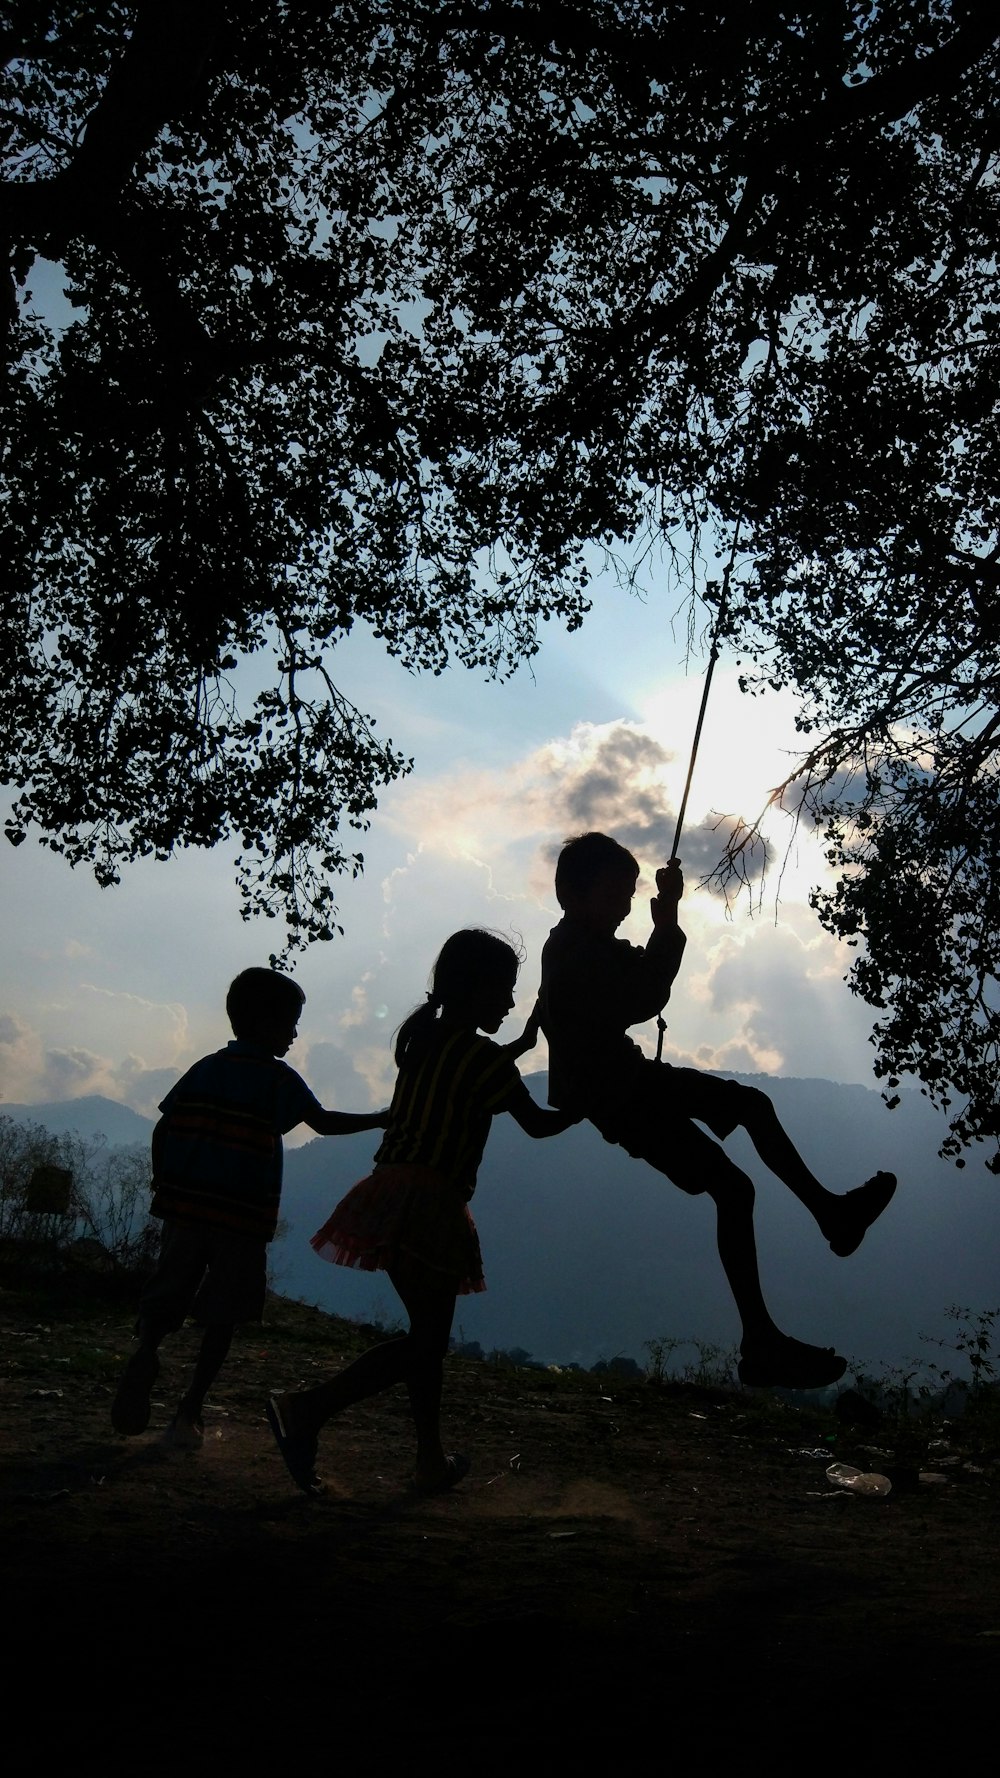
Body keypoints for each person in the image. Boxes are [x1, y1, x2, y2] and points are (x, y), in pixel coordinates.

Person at [538, 832, 897, 1390]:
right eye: (617, 892)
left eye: (630, 893)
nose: (626, 903)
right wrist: (668, 921)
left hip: (629, 1087)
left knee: (744, 1143)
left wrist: (666, 923)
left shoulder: (581, 946)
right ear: (572, 894)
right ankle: (780, 1308)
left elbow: (639, 982)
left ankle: (818, 1240)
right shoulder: (578, 952)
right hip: (623, 1097)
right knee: (736, 1172)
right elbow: (643, 996)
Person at [266, 929, 575, 1496]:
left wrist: (524, 1042)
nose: (510, 1002)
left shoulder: (427, 1043)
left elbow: (474, 1067)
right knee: (426, 1343)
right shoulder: (482, 1060)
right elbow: (538, 1122)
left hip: (390, 1191)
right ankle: (307, 1410)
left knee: (427, 1340)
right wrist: (588, 1100)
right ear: (475, 988)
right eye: (504, 990)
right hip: (431, 1203)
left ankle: (427, 1459)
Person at [111, 967, 388, 1447]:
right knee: (224, 1314)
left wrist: (166, 1183)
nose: (295, 1033)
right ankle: (188, 1412)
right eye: (291, 1022)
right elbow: (322, 1123)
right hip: (241, 1215)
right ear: (265, 1021)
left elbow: (163, 1129)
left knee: (168, 1290)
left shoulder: (205, 1067)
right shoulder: (277, 1079)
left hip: (187, 1206)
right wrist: (382, 1119)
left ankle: (148, 1348)